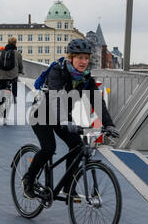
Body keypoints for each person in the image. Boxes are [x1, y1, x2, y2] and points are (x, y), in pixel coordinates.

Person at [21, 39, 119, 199]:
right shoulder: (57, 71)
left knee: (77, 145)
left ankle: (68, 186)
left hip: (63, 117)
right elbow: (55, 98)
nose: (83, 62)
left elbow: (97, 101)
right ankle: (28, 180)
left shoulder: (85, 78)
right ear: (71, 57)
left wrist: (109, 124)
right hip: (42, 115)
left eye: (86, 58)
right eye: (80, 57)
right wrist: (64, 121)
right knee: (48, 148)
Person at [0, 38, 23, 111]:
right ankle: (14, 96)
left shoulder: (2, 51)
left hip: (2, 74)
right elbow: (20, 64)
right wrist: (21, 71)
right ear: (15, 43)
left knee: (2, 90)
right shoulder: (17, 53)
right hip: (12, 74)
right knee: (15, 81)